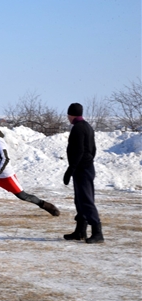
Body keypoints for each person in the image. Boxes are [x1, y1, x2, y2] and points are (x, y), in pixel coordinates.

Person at [63, 103, 104, 244]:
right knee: (80, 200)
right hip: (85, 167)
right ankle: (80, 230)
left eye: (68, 115)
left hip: (82, 168)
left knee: (86, 200)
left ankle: (97, 233)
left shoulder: (78, 129)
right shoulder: (87, 126)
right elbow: (93, 149)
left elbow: (79, 151)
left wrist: (71, 169)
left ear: (71, 114)